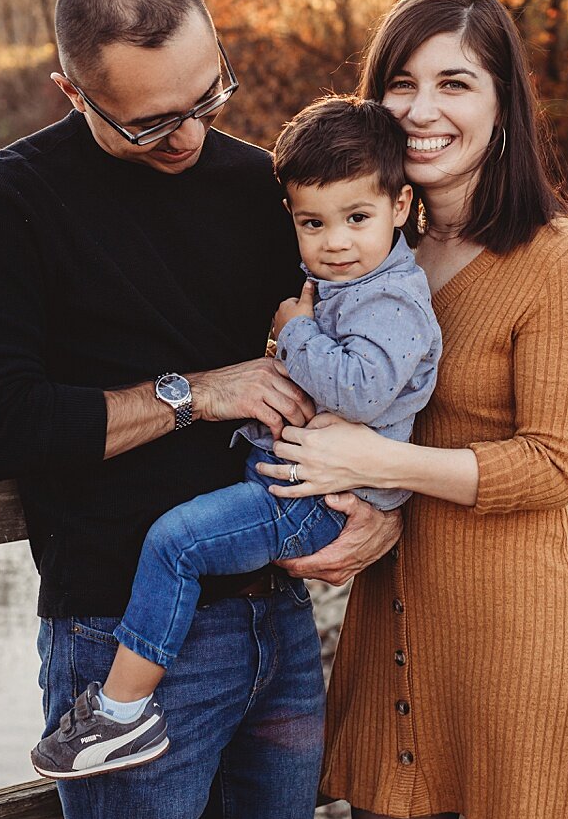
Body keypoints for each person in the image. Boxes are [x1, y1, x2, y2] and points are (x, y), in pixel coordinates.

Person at [0, 0, 398, 819]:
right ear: (72, 92)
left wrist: (385, 508)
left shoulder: (266, 186)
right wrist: (199, 394)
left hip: (282, 619)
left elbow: (369, 353)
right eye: (150, 124)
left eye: (207, 97)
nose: (187, 135)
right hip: (124, 640)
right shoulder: (11, 199)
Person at [258, 0, 568, 819]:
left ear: (504, 106)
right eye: (402, 83)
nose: (422, 109)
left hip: (517, 640)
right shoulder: (371, 252)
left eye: (455, 83)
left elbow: (551, 465)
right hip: (395, 624)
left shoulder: (557, 261)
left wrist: (372, 465)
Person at [31, 95, 441, 778]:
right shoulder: (347, 278)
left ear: (401, 207)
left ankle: (121, 713)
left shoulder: (389, 297)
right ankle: (124, 709)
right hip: (298, 482)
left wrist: (293, 328)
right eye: (313, 223)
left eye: (357, 219)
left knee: (174, 544)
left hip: (314, 498)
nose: (335, 240)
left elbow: (362, 389)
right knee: (181, 544)